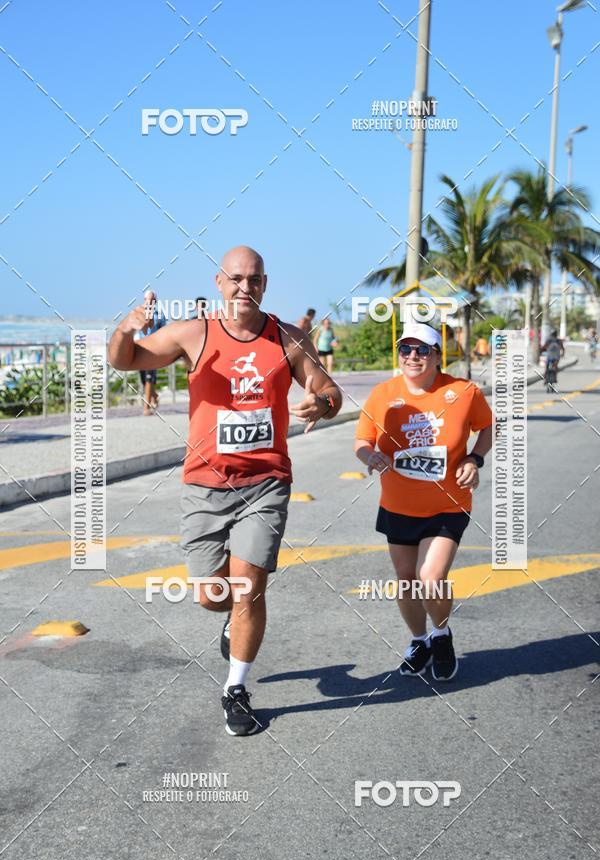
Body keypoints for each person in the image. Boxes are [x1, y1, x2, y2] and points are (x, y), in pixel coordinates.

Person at [108, 246, 342, 735]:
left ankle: (236, 688)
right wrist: (126, 329)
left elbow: (328, 388)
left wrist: (320, 404)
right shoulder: (197, 333)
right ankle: (227, 619)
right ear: (219, 282)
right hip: (205, 485)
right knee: (214, 595)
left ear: (265, 284)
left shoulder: (287, 338)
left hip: (266, 483)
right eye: (236, 278)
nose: (245, 287)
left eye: (254, 279)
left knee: (248, 589)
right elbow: (125, 361)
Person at [354, 323, 493, 681]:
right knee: (405, 580)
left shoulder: (463, 391)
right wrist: (369, 456)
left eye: (422, 350)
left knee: (429, 577)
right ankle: (420, 641)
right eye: (406, 349)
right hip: (398, 504)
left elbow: (487, 427)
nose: (412, 356)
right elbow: (362, 440)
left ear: (436, 356)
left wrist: (473, 459)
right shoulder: (384, 394)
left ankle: (441, 634)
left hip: (449, 502)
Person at [137, 290, 166, 414]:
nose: (150, 302)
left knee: (149, 379)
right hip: (141, 350)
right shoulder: (139, 314)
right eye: (148, 300)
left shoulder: (160, 316)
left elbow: (164, 334)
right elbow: (141, 329)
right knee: (145, 381)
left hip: (153, 351)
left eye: (152, 300)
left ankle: (146, 408)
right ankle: (155, 396)